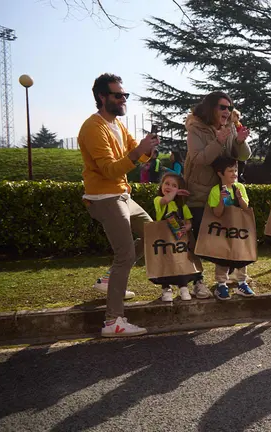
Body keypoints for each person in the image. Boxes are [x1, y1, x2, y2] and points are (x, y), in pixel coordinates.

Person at [79, 73, 159, 337]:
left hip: (122, 195)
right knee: (125, 254)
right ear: (102, 97)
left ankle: (108, 280)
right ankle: (113, 321)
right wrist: (138, 153)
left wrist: (149, 148)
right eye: (118, 95)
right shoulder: (93, 128)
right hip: (105, 198)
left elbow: (138, 154)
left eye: (125, 95)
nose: (123, 99)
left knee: (153, 235)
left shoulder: (118, 126)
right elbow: (110, 170)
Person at [183, 91, 251, 298]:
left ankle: (224, 277)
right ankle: (197, 281)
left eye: (229, 108)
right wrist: (219, 141)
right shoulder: (195, 129)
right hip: (200, 193)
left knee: (223, 237)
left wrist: (239, 141)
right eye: (222, 107)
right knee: (200, 240)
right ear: (211, 108)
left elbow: (243, 156)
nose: (227, 111)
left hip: (223, 193)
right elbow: (199, 159)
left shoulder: (229, 128)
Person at [208, 157, 255, 300]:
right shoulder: (215, 190)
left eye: (236, 170)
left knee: (241, 256)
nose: (234, 173)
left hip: (238, 231)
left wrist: (240, 199)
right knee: (222, 257)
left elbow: (246, 208)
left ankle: (241, 282)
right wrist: (222, 201)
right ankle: (221, 284)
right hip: (222, 231)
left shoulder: (240, 187)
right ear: (220, 174)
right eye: (230, 171)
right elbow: (216, 213)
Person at [153, 172, 194, 301]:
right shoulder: (158, 200)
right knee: (165, 264)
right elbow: (166, 199)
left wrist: (187, 227)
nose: (169, 187)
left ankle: (183, 287)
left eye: (174, 185)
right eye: (166, 183)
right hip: (163, 241)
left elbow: (189, 221)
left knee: (180, 263)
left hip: (178, 241)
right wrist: (175, 192)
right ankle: (166, 288)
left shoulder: (183, 206)